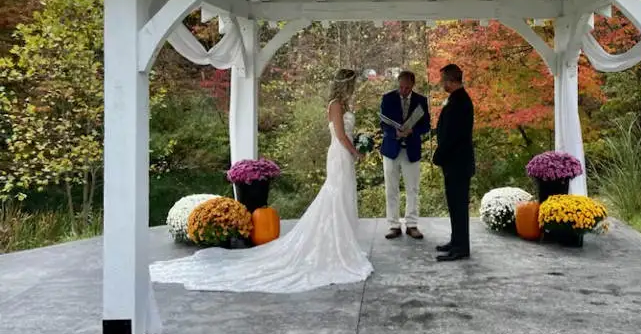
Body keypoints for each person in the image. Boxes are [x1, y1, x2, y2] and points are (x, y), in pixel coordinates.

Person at [149, 69, 373, 293]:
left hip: (345, 154)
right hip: (340, 155)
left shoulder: (346, 106)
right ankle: (333, 244)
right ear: (345, 85)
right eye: (352, 84)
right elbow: (342, 136)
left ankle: (343, 243)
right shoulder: (335, 105)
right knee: (334, 195)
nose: (354, 88)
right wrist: (356, 152)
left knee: (343, 194)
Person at [379, 71, 430, 240]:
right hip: (391, 150)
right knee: (391, 189)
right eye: (401, 87)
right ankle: (394, 225)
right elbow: (383, 123)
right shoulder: (387, 98)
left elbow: (426, 126)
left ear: (413, 85)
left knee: (412, 189)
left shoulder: (421, 101)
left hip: (411, 150)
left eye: (407, 87)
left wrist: (412, 131)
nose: (403, 90)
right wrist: (395, 132)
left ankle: (412, 225)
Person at [432, 63, 475, 262]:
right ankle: (455, 240)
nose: (441, 84)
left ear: (451, 80)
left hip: (458, 163)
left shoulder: (461, 102)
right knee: (454, 205)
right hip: (453, 163)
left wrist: (439, 154)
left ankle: (461, 247)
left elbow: (454, 135)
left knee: (458, 206)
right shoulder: (455, 100)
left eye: (443, 80)